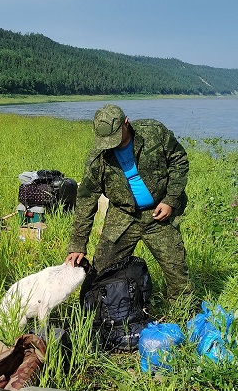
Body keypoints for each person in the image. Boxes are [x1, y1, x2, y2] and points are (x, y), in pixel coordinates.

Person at [65, 104, 193, 303]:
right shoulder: (98, 158)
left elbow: (179, 161)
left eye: (114, 138)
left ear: (126, 123)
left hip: (159, 214)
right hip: (122, 216)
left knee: (176, 269)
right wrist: (77, 244)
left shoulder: (154, 133)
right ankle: (91, 313)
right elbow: (86, 201)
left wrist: (170, 200)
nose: (110, 144)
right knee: (101, 269)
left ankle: (185, 314)